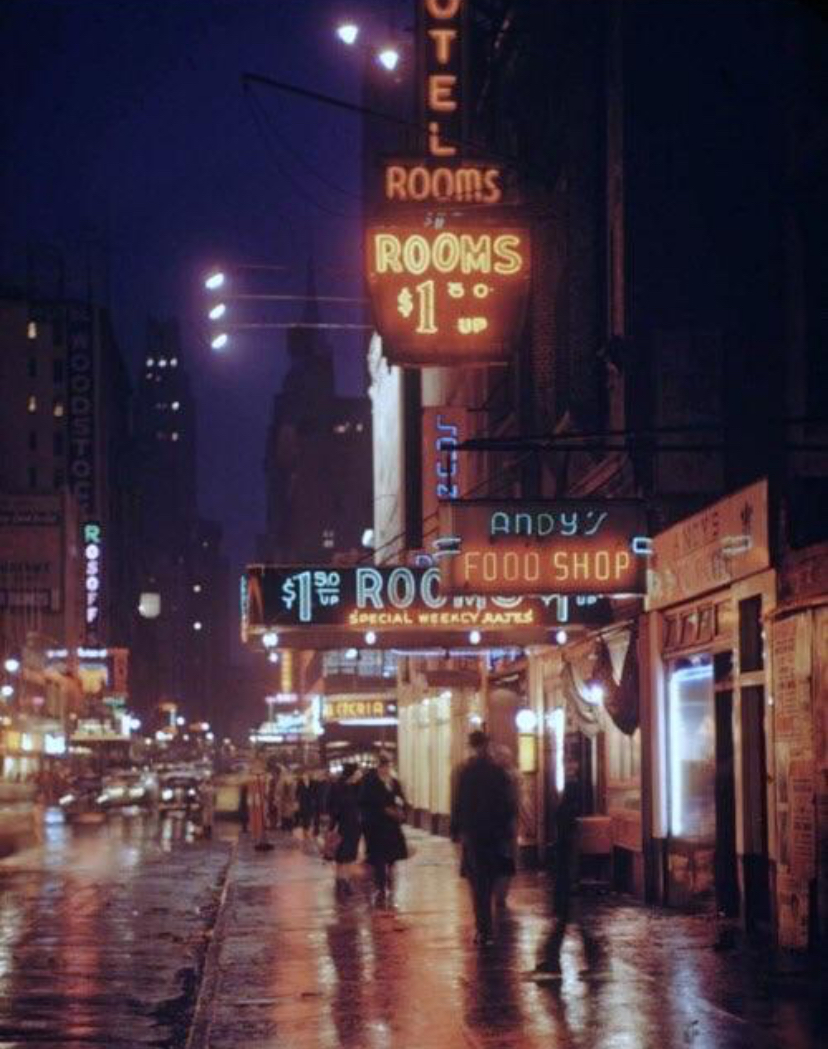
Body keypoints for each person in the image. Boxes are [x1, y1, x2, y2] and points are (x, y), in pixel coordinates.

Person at [451, 731, 517, 946]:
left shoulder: (465, 772)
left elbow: (459, 803)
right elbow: (508, 805)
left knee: (477, 883)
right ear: (487, 746)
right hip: (494, 835)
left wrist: (457, 830)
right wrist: (505, 830)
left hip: (474, 835)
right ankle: (486, 928)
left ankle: (483, 929)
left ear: (472, 746)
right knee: (488, 880)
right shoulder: (498, 773)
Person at [535, 778, 580, 978]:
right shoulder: (572, 808)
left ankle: (551, 958)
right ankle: (552, 958)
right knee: (570, 919)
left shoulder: (568, 809)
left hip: (567, 871)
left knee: (565, 918)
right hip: (567, 871)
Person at [360, 753, 408, 910]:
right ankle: (381, 885)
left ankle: (390, 878)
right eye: (383, 766)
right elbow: (365, 801)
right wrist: (383, 810)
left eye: (388, 766)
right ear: (378, 767)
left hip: (392, 825)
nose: (386, 769)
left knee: (391, 856)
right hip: (376, 826)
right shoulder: (370, 782)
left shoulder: (394, 782)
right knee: (379, 857)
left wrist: (401, 810)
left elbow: (401, 798)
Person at [327, 763, 363, 897]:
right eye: (358, 772)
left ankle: (343, 880)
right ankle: (343, 881)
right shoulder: (338, 787)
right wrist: (334, 822)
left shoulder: (356, 787)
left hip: (354, 826)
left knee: (349, 855)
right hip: (342, 825)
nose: (360, 774)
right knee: (342, 855)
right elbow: (331, 806)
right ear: (352, 773)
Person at [492, 744, 520, 910]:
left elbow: (516, 800)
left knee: (506, 859)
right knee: (505, 859)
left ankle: (501, 894)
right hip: (504, 823)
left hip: (506, 823)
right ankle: (500, 895)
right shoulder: (511, 776)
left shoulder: (512, 776)